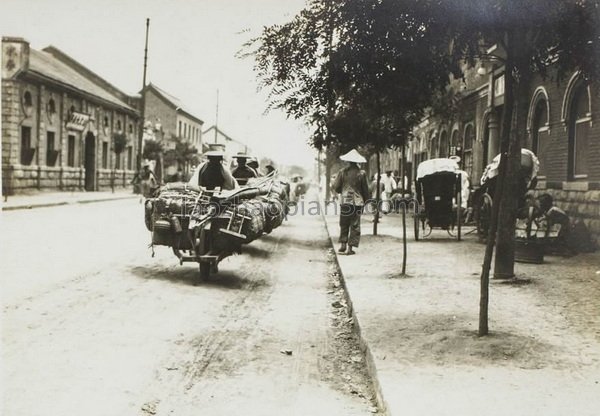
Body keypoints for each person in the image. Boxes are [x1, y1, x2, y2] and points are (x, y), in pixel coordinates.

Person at [332, 149, 370, 255]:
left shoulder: (342, 172)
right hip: (357, 202)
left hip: (345, 201)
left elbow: (336, 187)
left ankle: (343, 244)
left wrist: (342, 191)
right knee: (355, 224)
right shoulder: (361, 173)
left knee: (344, 223)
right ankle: (350, 248)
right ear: (357, 161)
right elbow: (365, 189)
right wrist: (366, 201)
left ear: (348, 161)